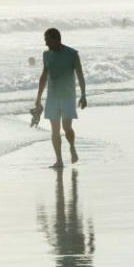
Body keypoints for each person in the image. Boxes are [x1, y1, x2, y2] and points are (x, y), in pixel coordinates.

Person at [34, 27, 87, 169]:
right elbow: (44, 76)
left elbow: (80, 75)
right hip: (52, 96)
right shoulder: (46, 55)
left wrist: (83, 94)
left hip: (68, 96)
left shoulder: (72, 54)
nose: (45, 43)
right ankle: (59, 161)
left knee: (67, 127)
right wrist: (38, 98)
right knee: (55, 130)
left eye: (47, 40)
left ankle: (72, 146)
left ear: (56, 39)